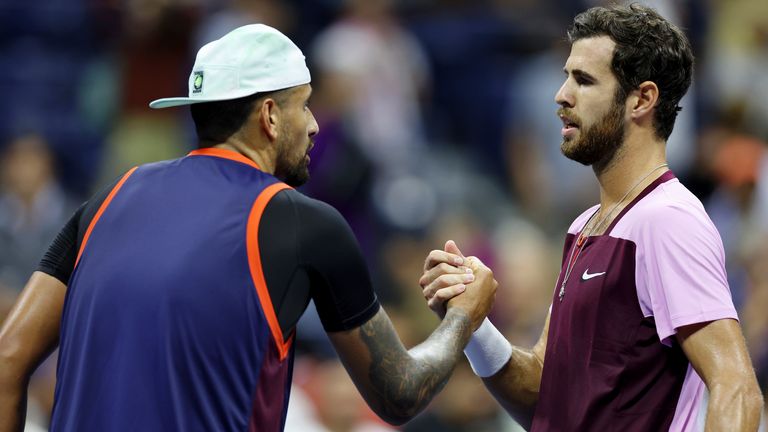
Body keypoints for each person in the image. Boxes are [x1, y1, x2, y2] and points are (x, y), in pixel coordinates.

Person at [0, 24, 498, 432]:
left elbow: (7, 359)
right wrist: (462, 319)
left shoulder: (105, 201)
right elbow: (400, 394)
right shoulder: (305, 223)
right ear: (269, 117)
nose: (315, 125)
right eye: (304, 105)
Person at [420, 5, 764, 431]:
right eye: (567, 76)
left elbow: (736, 386)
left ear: (642, 99)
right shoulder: (584, 227)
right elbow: (546, 399)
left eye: (583, 80)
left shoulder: (668, 221)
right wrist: (472, 324)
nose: (561, 95)